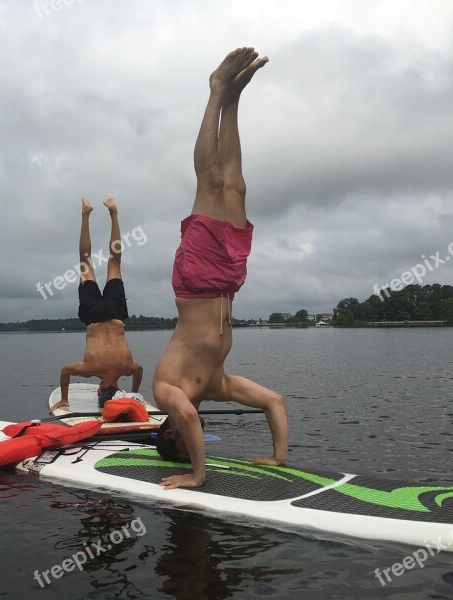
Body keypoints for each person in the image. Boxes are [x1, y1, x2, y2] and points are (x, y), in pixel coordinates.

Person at [152, 48, 289, 489]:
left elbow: (188, 416)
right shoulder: (214, 384)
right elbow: (274, 401)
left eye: (183, 441)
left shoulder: (166, 391)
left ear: (169, 432)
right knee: (235, 184)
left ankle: (215, 90)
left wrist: (197, 475)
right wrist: (278, 457)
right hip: (229, 282)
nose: (188, 431)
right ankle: (234, 99)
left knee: (209, 182)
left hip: (196, 280)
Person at [49, 198, 144, 414]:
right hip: (93, 316)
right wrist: (64, 398)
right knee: (85, 261)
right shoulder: (89, 369)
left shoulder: (128, 368)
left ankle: (113, 212)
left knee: (114, 260)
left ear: (117, 389)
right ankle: (86, 213)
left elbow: (139, 371)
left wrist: (134, 393)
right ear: (100, 391)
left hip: (116, 315)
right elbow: (65, 371)